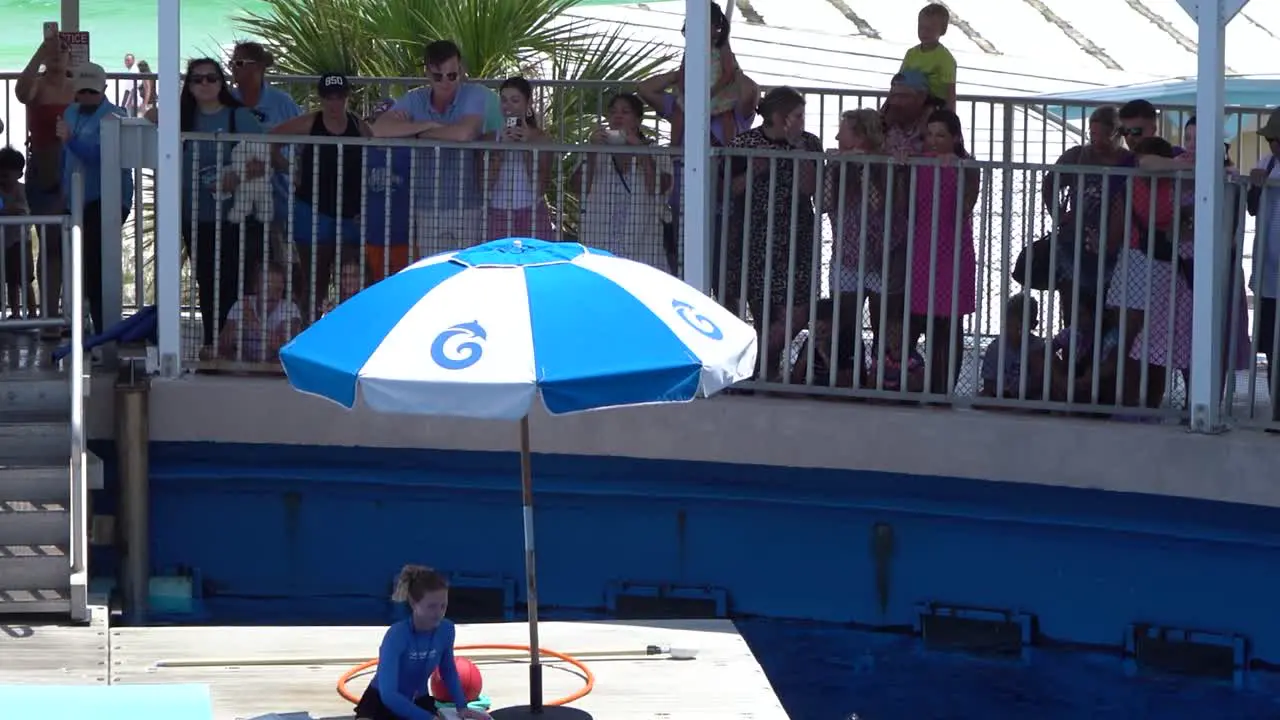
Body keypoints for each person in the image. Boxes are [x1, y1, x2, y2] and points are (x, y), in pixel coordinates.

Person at [271, 73, 370, 323]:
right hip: (312, 212)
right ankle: (308, 335)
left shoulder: (358, 126)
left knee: (352, 278)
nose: (334, 103)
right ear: (321, 98)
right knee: (314, 281)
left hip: (350, 214)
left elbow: (378, 152)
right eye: (328, 97)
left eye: (339, 97)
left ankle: (349, 330)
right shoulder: (309, 122)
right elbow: (272, 139)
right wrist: (289, 170)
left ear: (347, 98)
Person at [354, 565, 490, 720]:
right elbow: (389, 694)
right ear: (413, 603)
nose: (438, 612)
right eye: (431, 606)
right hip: (382, 702)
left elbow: (448, 670)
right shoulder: (397, 635)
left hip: (418, 700)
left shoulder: (447, 629)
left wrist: (462, 706)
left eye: (443, 606)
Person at [58, 62, 135, 335]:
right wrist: (62, 188)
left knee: (97, 262)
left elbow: (101, 157)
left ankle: (105, 327)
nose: (87, 96)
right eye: (82, 91)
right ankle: (84, 319)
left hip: (109, 196)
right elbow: (65, 159)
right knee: (80, 261)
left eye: (92, 91)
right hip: (77, 197)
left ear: (103, 89)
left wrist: (70, 141)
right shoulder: (70, 112)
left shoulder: (116, 115)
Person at [899, 3, 956, 110]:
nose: (924, 32)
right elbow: (899, 79)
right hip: (908, 101)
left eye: (930, 29)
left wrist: (951, 119)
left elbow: (950, 92)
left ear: (942, 31)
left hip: (933, 105)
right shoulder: (911, 53)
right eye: (921, 27)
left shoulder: (945, 59)